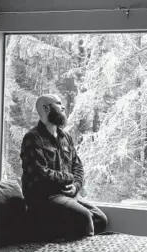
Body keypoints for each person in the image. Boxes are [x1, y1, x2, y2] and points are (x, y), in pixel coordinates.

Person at [20, 94, 108, 241]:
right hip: (44, 197)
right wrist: (69, 177)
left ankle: (53, 232)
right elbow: (41, 173)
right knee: (85, 218)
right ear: (46, 108)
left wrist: (75, 185)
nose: (63, 107)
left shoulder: (65, 137)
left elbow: (77, 166)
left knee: (100, 220)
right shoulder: (32, 138)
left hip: (68, 194)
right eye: (58, 103)